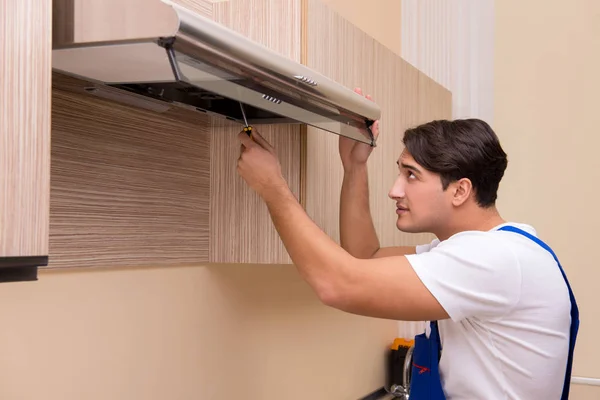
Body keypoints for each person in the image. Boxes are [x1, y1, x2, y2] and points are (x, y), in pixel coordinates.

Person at [236, 89, 578, 399]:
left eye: (411, 175)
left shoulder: (491, 259)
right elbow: (363, 257)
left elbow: (337, 284)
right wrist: (354, 166)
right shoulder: (487, 249)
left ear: (460, 190)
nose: (395, 190)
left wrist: (274, 189)